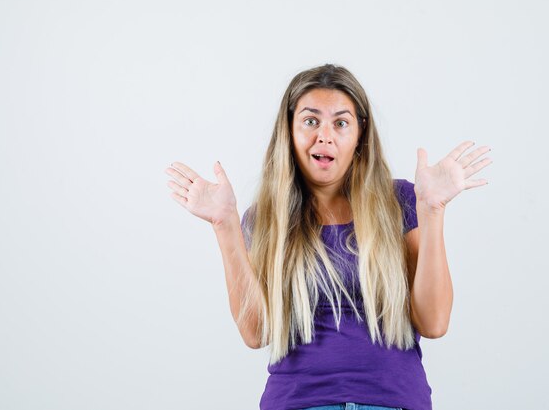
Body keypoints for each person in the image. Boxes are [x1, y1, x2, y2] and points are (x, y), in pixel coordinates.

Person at [165, 63, 492, 410]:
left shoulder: (401, 201)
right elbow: (256, 333)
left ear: (360, 134)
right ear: (289, 130)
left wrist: (432, 209)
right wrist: (224, 223)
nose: (325, 136)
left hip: (393, 402)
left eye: (340, 123)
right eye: (310, 121)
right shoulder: (264, 220)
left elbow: (435, 321)